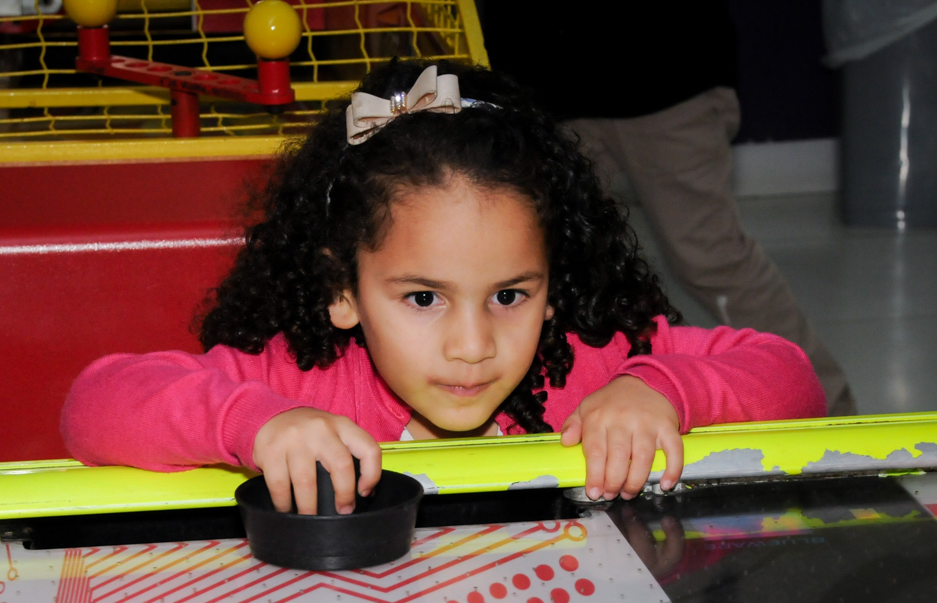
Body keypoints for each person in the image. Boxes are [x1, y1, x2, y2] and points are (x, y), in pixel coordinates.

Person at [61, 61, 825, 517]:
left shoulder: (591, 368)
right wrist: (255, 425)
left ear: (554, 283)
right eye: (423, 298)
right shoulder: (296, 382)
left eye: (511, 294)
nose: (473, 346)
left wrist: (661, 390)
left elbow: (791, 375)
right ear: (341, 285)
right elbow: (93, 406)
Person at [480, 2, 857, 416]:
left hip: (664, 73)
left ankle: (830, 416)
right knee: (540, 266)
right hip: (539, 86)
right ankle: (542, 417)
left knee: (710, 256)